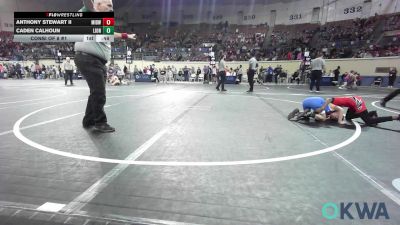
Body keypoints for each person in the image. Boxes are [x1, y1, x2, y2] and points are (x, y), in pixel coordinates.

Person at [74, 0, 136, 132]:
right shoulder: (91, 13)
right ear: (97, 5)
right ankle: (100, 122)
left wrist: (126, 35)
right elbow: (87, 4)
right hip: (88, 58)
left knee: (95, 92)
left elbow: (111, 34)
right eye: (108, 5)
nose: (110, 8)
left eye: (111, 6)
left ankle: (88, 120)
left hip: (96, 61)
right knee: (99, 92)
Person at [320, 96, 400, 126]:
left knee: (368, 121)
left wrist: (323, 107)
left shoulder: (331, 104)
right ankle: (372, 113)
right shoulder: (332, 106)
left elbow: (329, 99)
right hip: (353, 101)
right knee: (348, 117)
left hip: (356, 103)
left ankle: (396, 117)